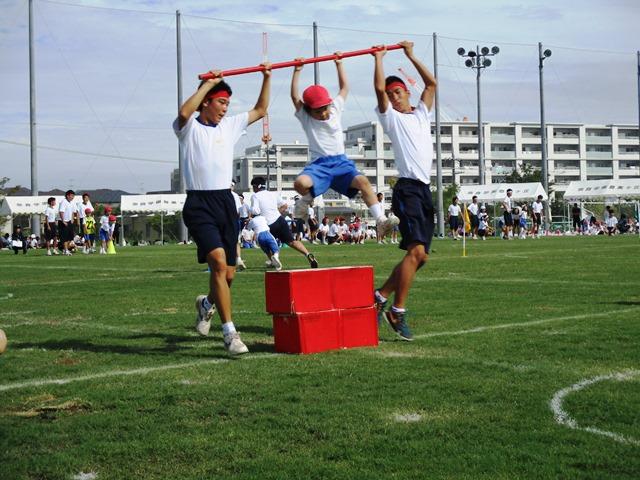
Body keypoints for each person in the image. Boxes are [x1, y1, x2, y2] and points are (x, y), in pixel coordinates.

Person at [174, 65, 271, 355]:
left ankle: (206, 304)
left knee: (228, 275)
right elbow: (184, 112)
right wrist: (208, 83)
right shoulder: (188, 129)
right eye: (221, 102)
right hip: (199, 204)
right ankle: (230, 333)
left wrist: (267, 77)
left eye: (227, 103)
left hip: (225, 203)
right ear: (206, 101)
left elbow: (261, 109)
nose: (225, 109)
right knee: (217, 263)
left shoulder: (230, 126)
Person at [289, 53, 398, 240]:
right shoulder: (306, 118)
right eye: (318, 111)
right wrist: (297, 70)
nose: (323, 114)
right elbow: (294, 96)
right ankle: (304, 202)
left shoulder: (335, 108)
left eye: (325, 108)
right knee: (300, 184)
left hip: (341, 163)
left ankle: (380, 220)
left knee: (363, 183)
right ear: (309, 110)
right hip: (319, 165)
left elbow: (345, 87)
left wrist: (339, 64)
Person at [372, 41, 437, 341]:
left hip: (424, 190)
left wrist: (411, 55)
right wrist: (379, 59)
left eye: (397, 92)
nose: (394, 98)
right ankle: (397, 312)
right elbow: (378, 89)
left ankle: (380, 296)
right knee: (416, 252)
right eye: (390, 95)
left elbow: (431, 83)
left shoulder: (422, 113)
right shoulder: (392, 119)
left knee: (421, 258)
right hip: (407, 189)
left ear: (407, 92)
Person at [250, 176, 318, 268]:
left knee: (264, 244)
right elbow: (285, 206)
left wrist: (252, 213)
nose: (253, 189)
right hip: (280, 220)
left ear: (257, 186)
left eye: (253, 187)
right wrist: (276, 213)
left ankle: (273, 261)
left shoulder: (255, 196)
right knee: (292, 241)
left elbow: (255, 211)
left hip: (267, 225)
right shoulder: (273, 194)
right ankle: (307, 254)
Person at [58, 189, 77, 255]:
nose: (72, 197)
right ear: (68, 195)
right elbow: (61, 212)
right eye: (72, 196)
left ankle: (64, 249)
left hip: (69, 221)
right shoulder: (64, 202)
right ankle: (66, 250)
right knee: (65, 237)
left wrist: (72, 219)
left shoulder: (71, 203)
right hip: (63, 222)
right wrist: (63, 221)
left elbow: (73, 212)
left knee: (70, 237)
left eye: (73, 196)